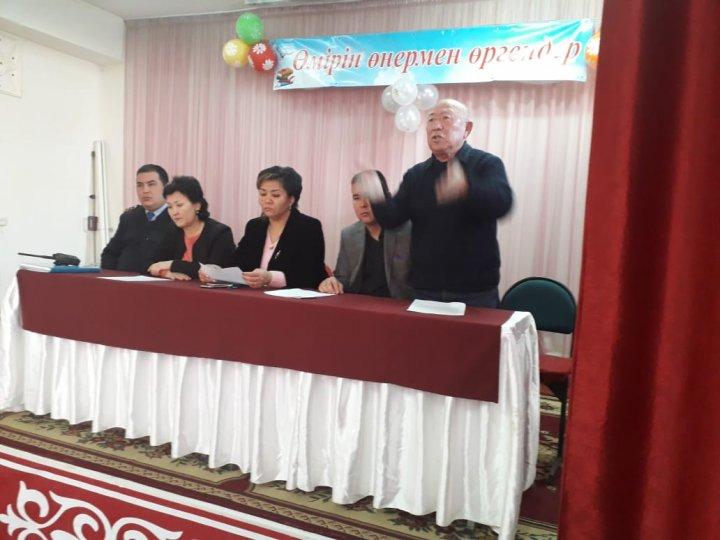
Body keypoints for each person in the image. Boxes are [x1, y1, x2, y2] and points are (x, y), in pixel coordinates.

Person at [361, 99, 513, 308]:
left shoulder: (486, 164)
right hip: (424, 290)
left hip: (474, 293)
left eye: (446, 118)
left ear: (467, 129)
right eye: (431, 120)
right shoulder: (416, 175)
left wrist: (467, 188)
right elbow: (393, 219)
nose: (436, 126)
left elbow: (503, 203)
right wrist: (376, 196)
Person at [201, 166, 326, 289]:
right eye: (263, 194)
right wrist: (217, 272)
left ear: (291, 199)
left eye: (275, 195)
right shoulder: (255, 226)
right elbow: (238, 264)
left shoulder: (309, 227)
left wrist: (271, 278)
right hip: (255, 297)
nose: (267, 200)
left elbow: (312, 273)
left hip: (290, 298)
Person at [318, 170, 411, 299]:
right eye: (356, 198)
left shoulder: (406, 231)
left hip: (398, 305)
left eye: (369, 196)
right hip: (359, 304)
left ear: (385, 197)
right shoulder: (349, 234)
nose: (363, 204)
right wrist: (332, 282)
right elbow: (342, 278)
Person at [148, 176, 235, 280]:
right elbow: (151, 263)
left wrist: (171, 264)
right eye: (170, 207)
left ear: (197, 205)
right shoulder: (172, 231)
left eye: (179, 205)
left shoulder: (220, 233)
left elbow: (213, 271)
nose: (174, 212)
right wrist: (165, 273)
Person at [101, 164, 176, 273]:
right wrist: (111, 276)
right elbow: (110, 253)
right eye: (140, 185)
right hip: (122, 279)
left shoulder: (177, 218)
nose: (145, 190)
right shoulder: (129, 217)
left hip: (157, 281)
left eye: (151, 184)